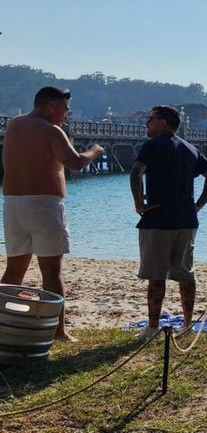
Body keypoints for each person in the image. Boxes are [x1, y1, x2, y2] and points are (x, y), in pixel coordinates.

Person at [0, 87, 104, 342]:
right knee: (52, 272)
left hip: (13, 204)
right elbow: (76, 163)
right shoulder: (51, 130)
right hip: (44, 206)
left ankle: (2, 324)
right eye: (65, 110)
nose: (66, 116)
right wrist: (95, 151)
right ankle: (58, 331)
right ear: (51, 107)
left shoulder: (14, 125)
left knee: (14, 270)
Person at [129, 106, 207, 339]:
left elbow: (136, 172)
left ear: (163, 123)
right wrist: (197, 206)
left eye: (150, 119)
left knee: (156, 276)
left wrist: (139, 203)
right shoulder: (190, 148)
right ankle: (187, 325)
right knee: (185, 274)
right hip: (187, 219)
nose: (146, 123)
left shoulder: (152, 145)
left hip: (158, 218)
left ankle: (152, 328)